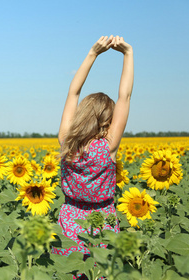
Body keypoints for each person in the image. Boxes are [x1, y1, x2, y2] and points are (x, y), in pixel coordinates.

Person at [51, 35, 134, 259]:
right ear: (108, 120)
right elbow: (124, 97)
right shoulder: (108, 146)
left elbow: (73, 93)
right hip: (103, 222)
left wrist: (93, 53)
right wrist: (128, 53)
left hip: (70, 220)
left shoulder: (66, 140)